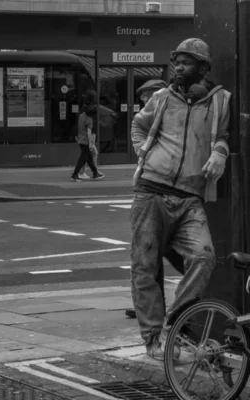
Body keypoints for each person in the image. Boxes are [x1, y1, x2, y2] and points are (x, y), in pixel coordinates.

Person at [130, 38, 231, 361]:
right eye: (177, 62)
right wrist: (145, 155)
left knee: (204, 257)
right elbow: (138, 127)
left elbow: (223, 138)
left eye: (186, 63)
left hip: (190, 199)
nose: (179, 68)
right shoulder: (161, 98)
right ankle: (152, 342)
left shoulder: (220, 101)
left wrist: (219, 153)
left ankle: (174, 321)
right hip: (151, 191)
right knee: (145, 268)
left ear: (202, 68)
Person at [124, 78, 169, 320]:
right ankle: (150, 305)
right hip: (148, 185)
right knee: (149, 255)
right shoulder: (145, 120)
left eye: (147, 96)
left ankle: (155, 306)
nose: (143, 100)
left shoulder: (166, 116)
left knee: (149, 254)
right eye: (142, 97)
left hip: (158, 190)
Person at [70, 93, 105, 182]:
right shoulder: (90, 120)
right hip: (86, 141)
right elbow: (89, 133)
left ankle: (95, 173)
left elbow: (77, 126)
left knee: (88, 158)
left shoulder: (81, 116)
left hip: (80, 139)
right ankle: (75, 174)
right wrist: (90, 143)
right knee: (83, 158)